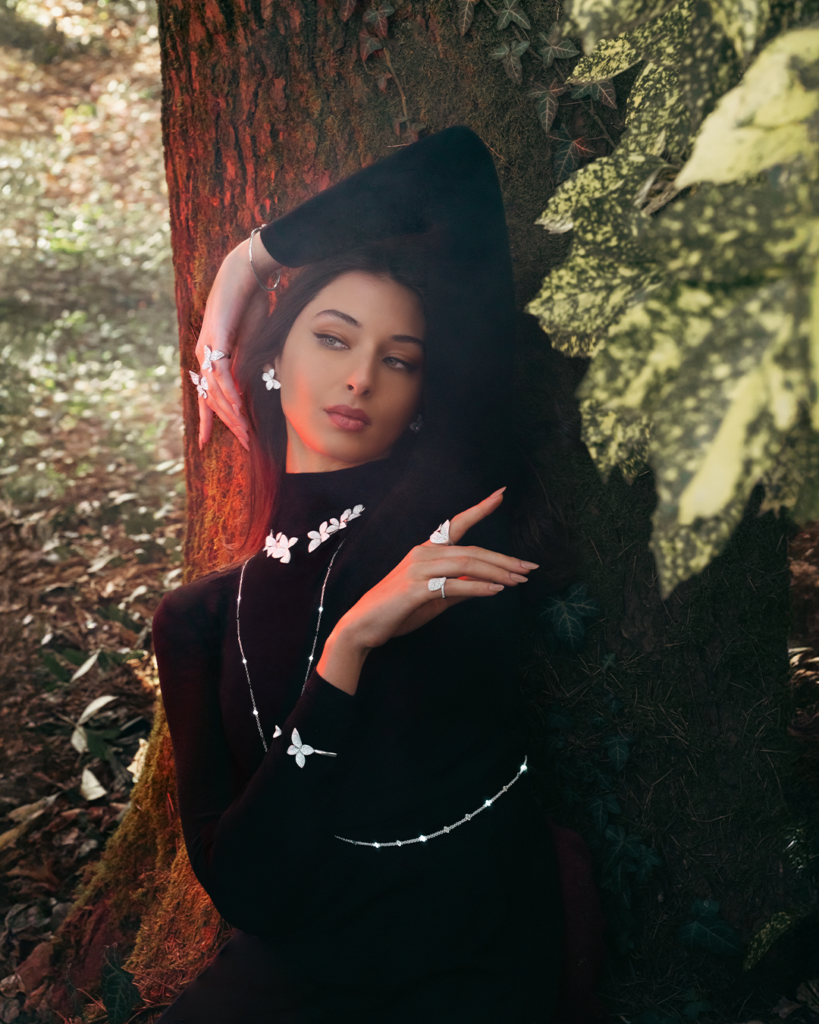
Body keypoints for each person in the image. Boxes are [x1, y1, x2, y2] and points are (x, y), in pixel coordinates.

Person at [151, 125, 607, 1023]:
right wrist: (350, 647)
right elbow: (244, 885)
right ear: (270, 364)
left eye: (399, 360)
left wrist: (246, 264)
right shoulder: (199, 618)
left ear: (423, 397)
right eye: (332, 339)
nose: (361, 377)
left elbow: (456, 170)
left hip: (469, 952)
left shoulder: (442, 503)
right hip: (299, 963)